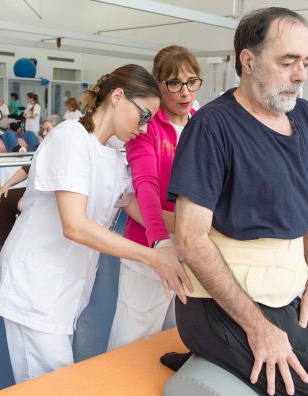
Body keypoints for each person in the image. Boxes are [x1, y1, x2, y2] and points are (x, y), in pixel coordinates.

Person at [166, 8, 308, 396]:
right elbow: (190, 239)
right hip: (216, 305)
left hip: (286, 296)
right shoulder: (212, 128)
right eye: (287, 61)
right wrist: (257, 327)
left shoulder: (304, 118)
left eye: (305, 62)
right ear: (248, 60)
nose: (301, 74)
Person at [0, 64, 192, 383]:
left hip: (64, 286)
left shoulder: (112, 153)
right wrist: (153, 256)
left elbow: (137, 206)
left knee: (51, 379)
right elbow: (75, 225)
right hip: (36, 284)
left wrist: (195, 228)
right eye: (142, 116)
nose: (144, 128)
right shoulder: (71, 137)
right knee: (50, 383)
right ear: (117, 97)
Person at [107, 45, 203, 350]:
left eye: (192, 81)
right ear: (158, 85)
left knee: (177, 336)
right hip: (148, 249)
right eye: (174, 83)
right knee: (133, 338)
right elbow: (145, 184)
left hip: (192, 248)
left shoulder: (201, 121)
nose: (184, 92)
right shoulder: (146, 125)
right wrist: (160, 242)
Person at [0, 116, 62, 260]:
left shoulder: (62, 152)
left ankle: (25, 246)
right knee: (5, 197)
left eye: (47, 129)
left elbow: (53, 183)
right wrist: (6, 185)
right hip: (37, 192)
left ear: (58, 131)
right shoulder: (43, 147)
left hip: (53, 196)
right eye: (43, 129)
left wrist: (27, 196)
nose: (43, 133)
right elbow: (27, 169)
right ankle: (1, 246)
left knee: (24, 204)